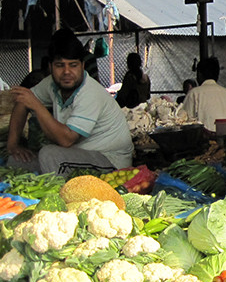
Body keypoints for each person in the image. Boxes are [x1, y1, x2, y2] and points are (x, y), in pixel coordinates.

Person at [6, 28, 133, 175]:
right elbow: (22, 101)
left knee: (49, 154)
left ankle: (57, 192)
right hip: (74, 155)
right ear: (50, 67)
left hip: (109, 162)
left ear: (82, 66)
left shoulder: (89, 93)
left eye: (73, 65)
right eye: (60, 65)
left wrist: (36, 105)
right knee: (15, 161)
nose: (67, 72)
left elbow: (66, 140)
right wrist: (13, 145)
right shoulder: (51, 84)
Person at [182, 57, 226, 132]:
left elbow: (182, 121)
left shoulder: (194, 94)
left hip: (204, 142)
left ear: (199, 74)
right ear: (217, 75)